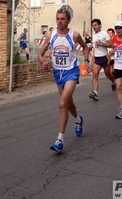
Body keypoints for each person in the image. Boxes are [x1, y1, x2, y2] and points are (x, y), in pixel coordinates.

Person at [38, 8, 91, 153]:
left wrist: (86, 61)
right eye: (57, 19)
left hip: (71, 72)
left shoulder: (74, 35)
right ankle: (78, 120)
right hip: (58, 74)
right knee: (68, 103)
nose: (59, 22)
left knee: (62, 103)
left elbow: (85, 48)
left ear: (68, 21)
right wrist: (43, 61)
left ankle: (59, 140)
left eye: (62, 19)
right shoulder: (51, 35)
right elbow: (40, 54)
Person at [88, 19, 116, 101]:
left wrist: (102, 44)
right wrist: (91, 49)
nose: (94, 27)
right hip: (97, 58)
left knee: (108, 75)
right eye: (93, 25)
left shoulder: (104, 34)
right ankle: (95, 93)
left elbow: (111, 44)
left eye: (95, 25)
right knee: (95, 75)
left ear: (100, 25)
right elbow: (94, 45)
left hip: (105, 58)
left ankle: (113, 81)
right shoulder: (93, 34)